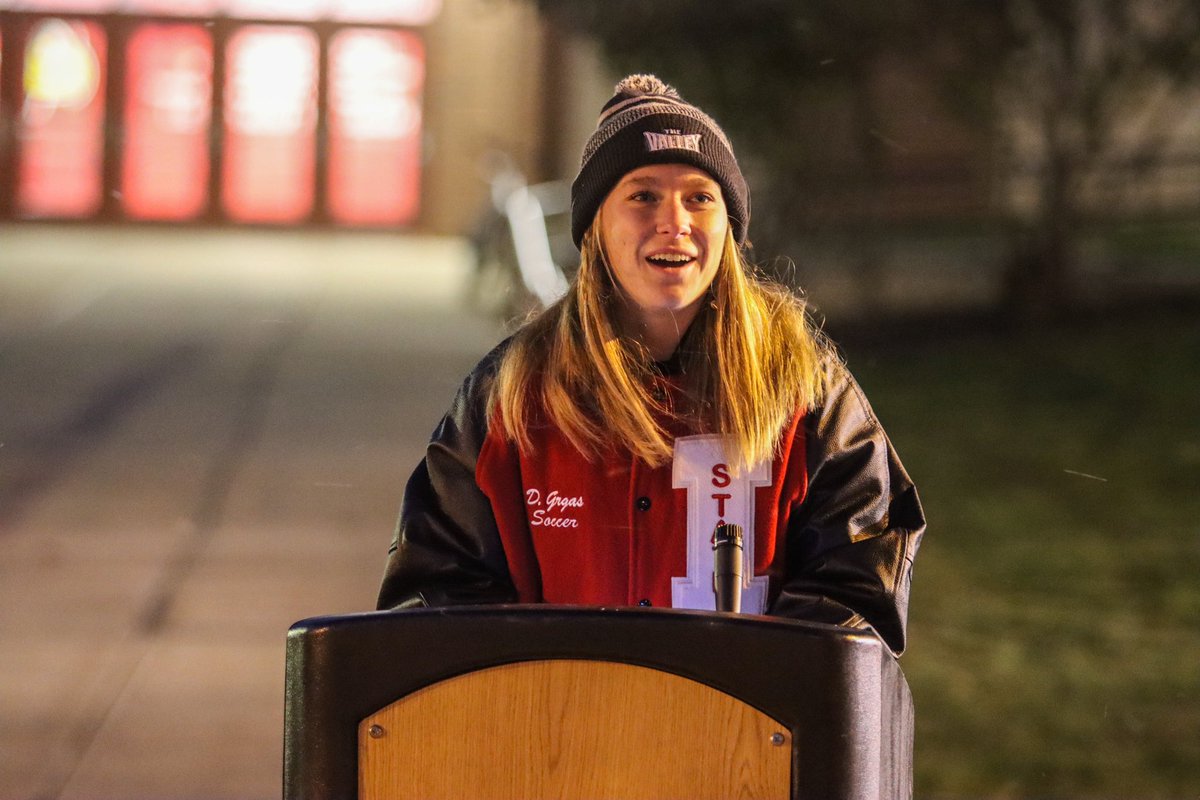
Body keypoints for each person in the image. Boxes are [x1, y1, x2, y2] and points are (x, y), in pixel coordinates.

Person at [377, 74, 925, 655]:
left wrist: (752, 690)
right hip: (560, 736)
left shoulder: (805, 386)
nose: (675, 222)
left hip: (742, 738)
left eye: (699, 197)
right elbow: (436, 591)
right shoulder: (513, 393)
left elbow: (858, 584)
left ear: (729, 227)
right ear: (595, 229)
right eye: (642, 195)